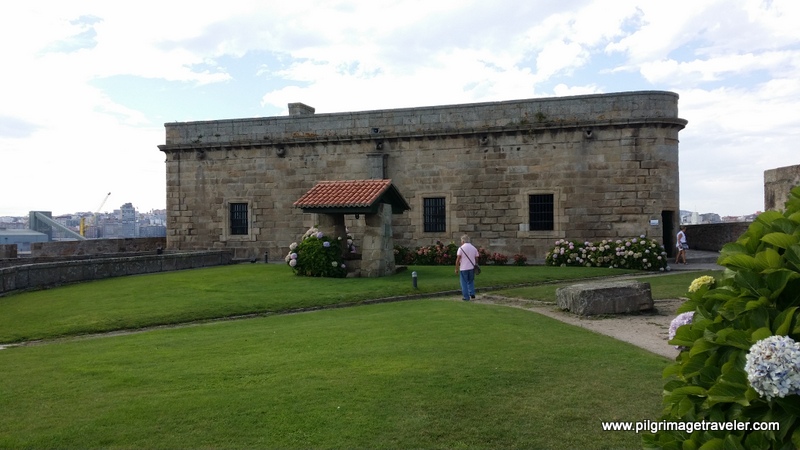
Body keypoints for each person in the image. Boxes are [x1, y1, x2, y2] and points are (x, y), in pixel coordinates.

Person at [455, 234, 480, 301]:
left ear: (463, 241)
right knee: (471, 281)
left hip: (463, 268)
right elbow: (477, 257)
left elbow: (458, 259)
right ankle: (472, 293)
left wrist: (456, 268)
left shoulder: (461, 248)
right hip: (471, 267)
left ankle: (466, 297)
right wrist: (475, 264)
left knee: (464, 283)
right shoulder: (473, 248)